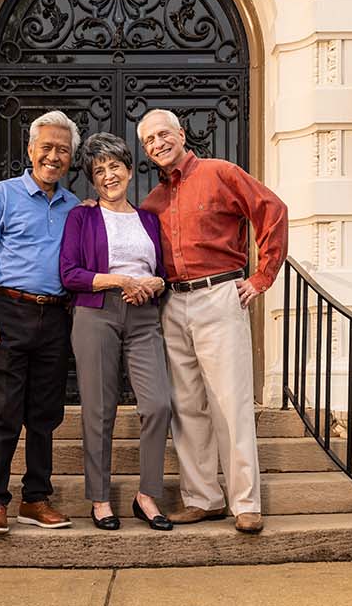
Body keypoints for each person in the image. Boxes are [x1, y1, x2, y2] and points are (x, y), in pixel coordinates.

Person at [137, 108, 288, 534]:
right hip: (173, 303)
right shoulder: (152, 203)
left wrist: (262, 277)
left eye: (163, 134)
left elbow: (272, 210)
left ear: (181, 135)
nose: (157, 144)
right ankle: (204, 498)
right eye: (149, 141)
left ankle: (245, 502)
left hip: (219, 294)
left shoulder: (220, 173)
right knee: (187, 407)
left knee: (230, 402)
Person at [0, 110, 81, 535]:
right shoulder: (3, 194)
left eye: (63, 150)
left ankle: (35, 499)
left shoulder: (74, 207)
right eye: (47, 147)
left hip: (55, 315)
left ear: (70, 158)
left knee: (45, 412)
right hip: (9, 312)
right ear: (31, 149)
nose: (54, 156)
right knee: (2, 412)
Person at [58, 133, 173, 532]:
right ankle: (101, 499)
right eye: (99, 170)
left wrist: (157, 283)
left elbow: (161, 273)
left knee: (158, 404)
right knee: (99, 409)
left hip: (144, 317)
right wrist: (119, 281)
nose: (109, 176)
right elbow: (70, 274)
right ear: (92, 179)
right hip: (97, 314)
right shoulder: (82, 217)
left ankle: (147, 495)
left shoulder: (149, 220)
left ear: (128, 169)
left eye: (114, 166)